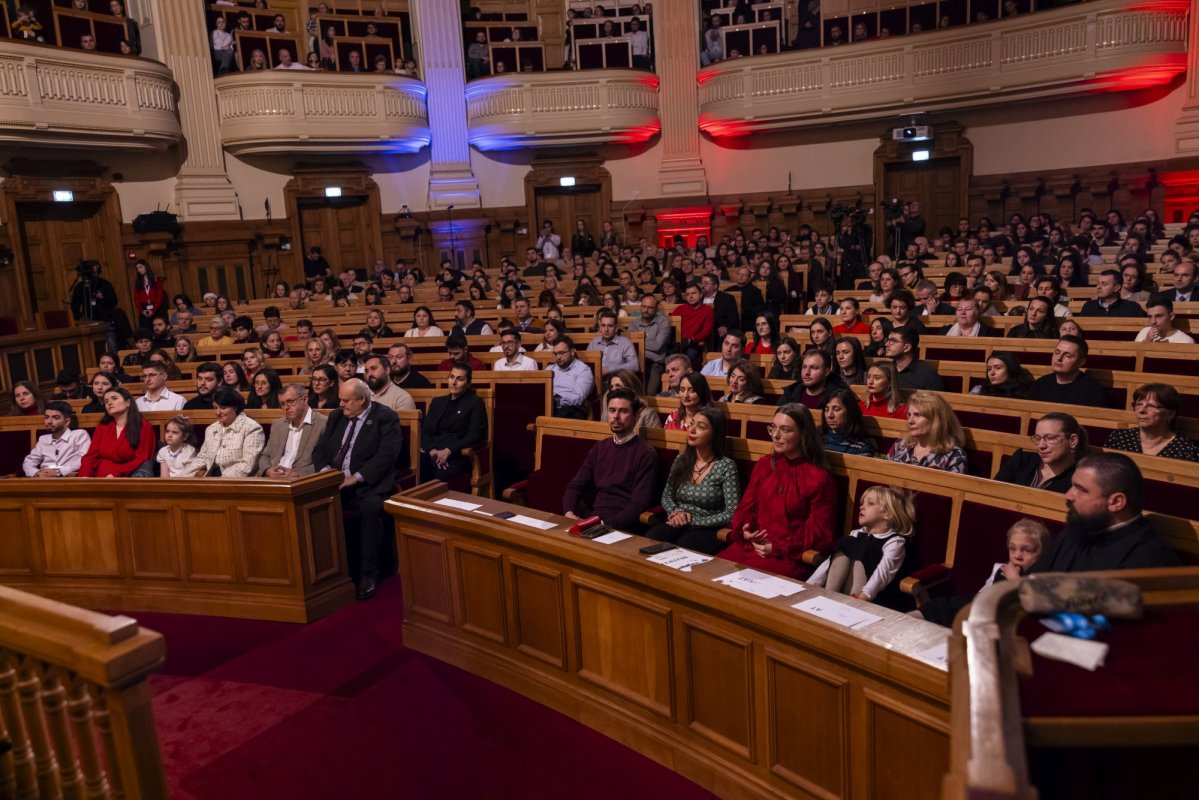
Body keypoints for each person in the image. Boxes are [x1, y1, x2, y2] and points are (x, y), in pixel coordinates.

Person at [718, 404, 836, 578]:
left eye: (785, 430)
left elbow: (820, 532)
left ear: (803, 434)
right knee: (709, 576)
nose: (776, 435)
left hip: (788, 555)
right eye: (773, 428)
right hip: (752, 546)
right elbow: (746, 508)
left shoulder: (819, 477)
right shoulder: (764, 465)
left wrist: (777, 547)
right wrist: (746, 530)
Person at [313, 378, 403, 600]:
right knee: (309, 505)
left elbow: (387, 456)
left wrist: (357, 477)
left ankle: (368, 573)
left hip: (368, 484)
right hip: (334, 483)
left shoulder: (385, 418)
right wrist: (326, 471)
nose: (341, 404)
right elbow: (320, 450)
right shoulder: (336, 417)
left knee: (371, 508)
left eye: (346, 401)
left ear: (362, 399)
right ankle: (324, 572)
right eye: (340, 400)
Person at [1028, 453, 1181, 572]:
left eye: (1080, 489)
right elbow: (1035, 579)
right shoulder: (1078, 529)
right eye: (1072, 486)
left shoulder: (1149, 559)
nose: (1068, 495)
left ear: (1116, 502)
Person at [914, 519, 1051, 627]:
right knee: (938, 607)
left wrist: (1014, 580)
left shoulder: (1042, 581)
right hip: (976, 606)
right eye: (1012, 549)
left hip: (995, 622)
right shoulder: (1001, 569)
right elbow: (983, 593)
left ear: (1043, 553)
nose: (1017, 556)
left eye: (1026, 550)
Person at [645, 406, 739, 555]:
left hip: (707, 528)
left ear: (715, 433)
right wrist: (676, 512)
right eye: (692, 423)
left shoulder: (726, 465)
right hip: (677, 521)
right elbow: (667, 496)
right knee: (653, 538)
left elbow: (733, 512)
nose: (692, 430)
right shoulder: (681, 459)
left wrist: (694, 521)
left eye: (700, 427)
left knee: (685, 546)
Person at [563, 387, 658, 532]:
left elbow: (638, 504)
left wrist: (603, 526)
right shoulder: (600, 447)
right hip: (593, 520)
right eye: (612, 410)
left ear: (636, 416)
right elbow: (575, 486)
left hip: (622, 527)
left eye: (623, 411)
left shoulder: (646, 453)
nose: (616, 416)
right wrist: (569, 513)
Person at [807, 486, 916, 605]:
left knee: (864, 549)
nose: (861, 507)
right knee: (844, 546)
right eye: (862, 503)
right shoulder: (855, 534)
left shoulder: (895, 542)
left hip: (871, 598)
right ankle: (827, 599)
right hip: (839, 595)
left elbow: (883, 573)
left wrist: (864, 597)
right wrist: (809, 586)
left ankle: (848, 606)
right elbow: (829, 562)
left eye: (870, 503)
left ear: (887, 514)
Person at [994, 412, 1086, 493]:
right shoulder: (1021, 459)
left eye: (1050, 438)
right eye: (1038, 439)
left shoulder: (1080, 480)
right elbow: (992, 493)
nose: (1041, 445)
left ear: (1073, 440)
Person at [1104, 383, 1198, 461]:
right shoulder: (1119, 437)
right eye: (1138, 405)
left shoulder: (1186, 450)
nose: (1142, 411)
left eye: (1151, 406)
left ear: (1170, 414)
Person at [77, 388, 155, 477]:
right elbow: (91, 456)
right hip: (100, 476)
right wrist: (84, 476)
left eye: (114, 398)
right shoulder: (103, 427)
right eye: (106, 401)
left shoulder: (143, 426)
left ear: (127, 403)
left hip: (127, 476)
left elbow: (142, 458)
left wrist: (117, 473)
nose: (109, 403)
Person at [257, 384, 328, 478]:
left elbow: (326, 462)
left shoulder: (323, 423)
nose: (286, 407)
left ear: (305, 399)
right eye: (282, 404)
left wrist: (298, 474)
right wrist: (268, 470)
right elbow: (265, 455)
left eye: (290, 401)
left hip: (302, 482)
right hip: (274, 480)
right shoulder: (278, 425)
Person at [887, 391, 966, 473]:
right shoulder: (900, 445)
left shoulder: (954, 456)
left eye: (917, 415)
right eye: (909, 415)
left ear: (936, 420)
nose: (910, 421)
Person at [192, 389, 265, 477]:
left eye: (223, 408)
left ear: (236, 407)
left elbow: (247, 464)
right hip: (211, 478)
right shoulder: (211, 429)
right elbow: (202, 458)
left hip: (238, 481)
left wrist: (220, 481)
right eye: (215, 408)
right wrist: (183, 477)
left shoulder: (252, 428)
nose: (218, 412)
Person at [1028, 335, 1114, 408]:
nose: (1059, 358)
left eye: (1067, 355)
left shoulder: (1093, 391)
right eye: (1057, 352)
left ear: (1081, 362)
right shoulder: (1039, 385)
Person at [23, 402, 91, 477]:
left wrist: (59, 472)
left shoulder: (79, 435)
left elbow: (85, 460)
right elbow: (29, 461)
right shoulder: (43, 439)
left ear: (67, 421)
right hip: (43, 479)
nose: (49, 421)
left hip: (68, 478)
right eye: (46, 417)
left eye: (55, 417)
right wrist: (35, 473)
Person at [628, 295, 672, 394]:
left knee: (649, 393)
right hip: (637, 361)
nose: (646, 310)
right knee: (630, 391)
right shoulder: (634, 323)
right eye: (644, 306)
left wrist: (639, 340)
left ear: (656, 309)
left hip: (655, 363)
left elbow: (657, 346)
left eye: (650, 308)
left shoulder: (663, 322)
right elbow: (629, 345)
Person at [548, 336, 593, 419]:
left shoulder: (583, 370)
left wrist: (556, 400)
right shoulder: (549, 369)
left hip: (571, 409)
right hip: (548, 407)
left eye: (561, 353)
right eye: (555, 354)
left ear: (572, 352)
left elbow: (578, 399)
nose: (558, 357)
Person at [821, 388, 875, 456]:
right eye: (826, 410)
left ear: (850, 412)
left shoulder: (861, 448)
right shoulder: (817, 439)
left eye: (836, 409)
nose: (829, 415)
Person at [672, 282, 714, 365]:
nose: (690, 296)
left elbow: (706, 332)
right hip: (677, 342)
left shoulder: (708, 311)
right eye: (688, 294)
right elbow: (672, 327)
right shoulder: (679, 309)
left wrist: (691, 339)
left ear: (701, 295)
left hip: (693, 342)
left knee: (684, 362)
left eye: (693, 293)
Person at [1079, 270, 1147, 318]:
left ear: (1116, 288)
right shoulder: (1088, 307)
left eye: (1104, 284)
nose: (1098, 287)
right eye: (1098, 283)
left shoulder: (1132, 308)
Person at [589, 309, 637, 375]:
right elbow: (586, 365)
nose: (606, 329)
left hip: (617, 380)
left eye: (610, 326)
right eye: (603, 325)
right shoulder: (593, 343)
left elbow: (635, 366)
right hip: (596, 380)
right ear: (600, 328)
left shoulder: (625, 343)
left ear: (616, 328)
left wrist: (609, 370)